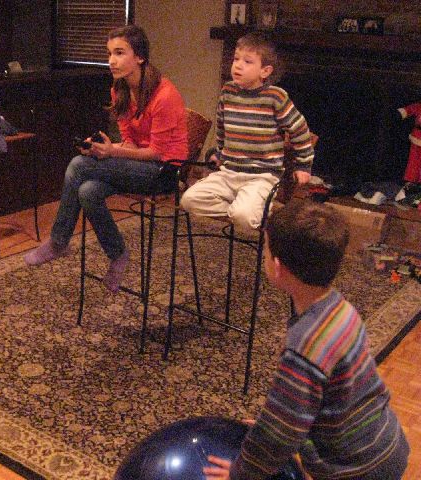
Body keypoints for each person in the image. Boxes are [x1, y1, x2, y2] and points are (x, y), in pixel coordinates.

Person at [203, 200, 410, 480]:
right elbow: (333, 398)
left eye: (266, 249)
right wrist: (278, 425)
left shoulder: (304, 350)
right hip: (386, 443)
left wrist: (240, 473)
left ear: (277, 267)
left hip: (355, 470)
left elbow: (278, 434)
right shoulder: (342, 309)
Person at [24, 25, 188, 293]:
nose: (112, 60)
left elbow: (157, 153)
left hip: (165, 171)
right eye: (109, 53)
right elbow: (131, 142)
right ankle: (118, 254)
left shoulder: (164, 95)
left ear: (140, 57)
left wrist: (112, 152)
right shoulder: (119, 90)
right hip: (138, 164)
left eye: (120, 53)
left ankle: (58, 242)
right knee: (88, 191)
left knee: (78, 166)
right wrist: (101, 149)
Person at [181, 32, 314, 230]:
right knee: (189, 201)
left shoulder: (275, 97)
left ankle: (250, 211)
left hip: (261, 176)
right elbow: (222, 127)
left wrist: (303, 165)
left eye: (247, 61)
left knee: (243, 217)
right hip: (229, 172)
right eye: (236, 59)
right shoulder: (228, 91)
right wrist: (220, 152)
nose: (238, 65)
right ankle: (247, 211)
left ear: (265, 71)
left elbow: (300, 129)